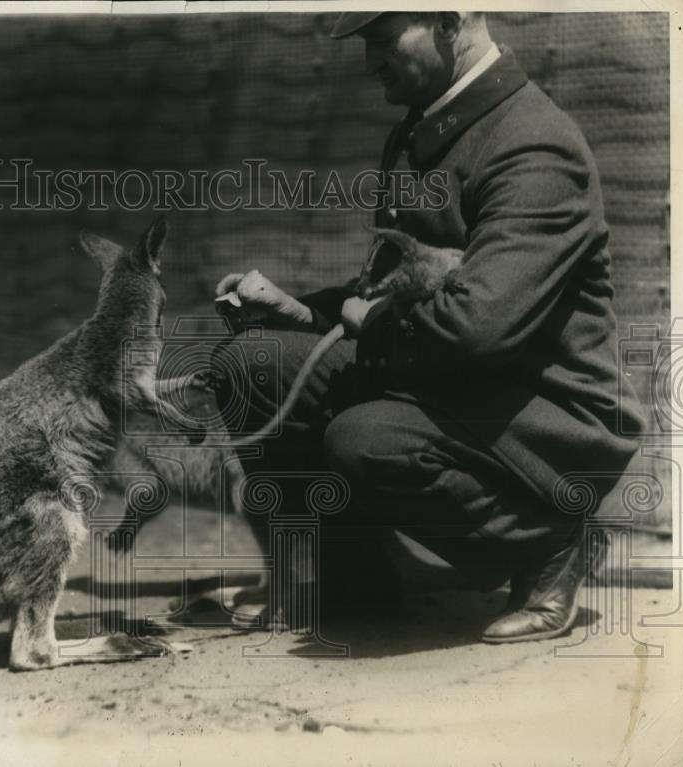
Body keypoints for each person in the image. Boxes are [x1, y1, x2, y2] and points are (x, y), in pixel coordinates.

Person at [212, 11, 646, 643]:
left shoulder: (532, 146)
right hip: (455, 379)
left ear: (449, 21)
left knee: (366, 439)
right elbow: (389, 289)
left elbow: (478, 326)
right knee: (252, 362)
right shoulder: (425, 131)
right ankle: (346, 580)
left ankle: (551, 542)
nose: (370, 64)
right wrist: (305, 313)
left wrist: (372, 323)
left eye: (385, 40)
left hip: (540, 413)